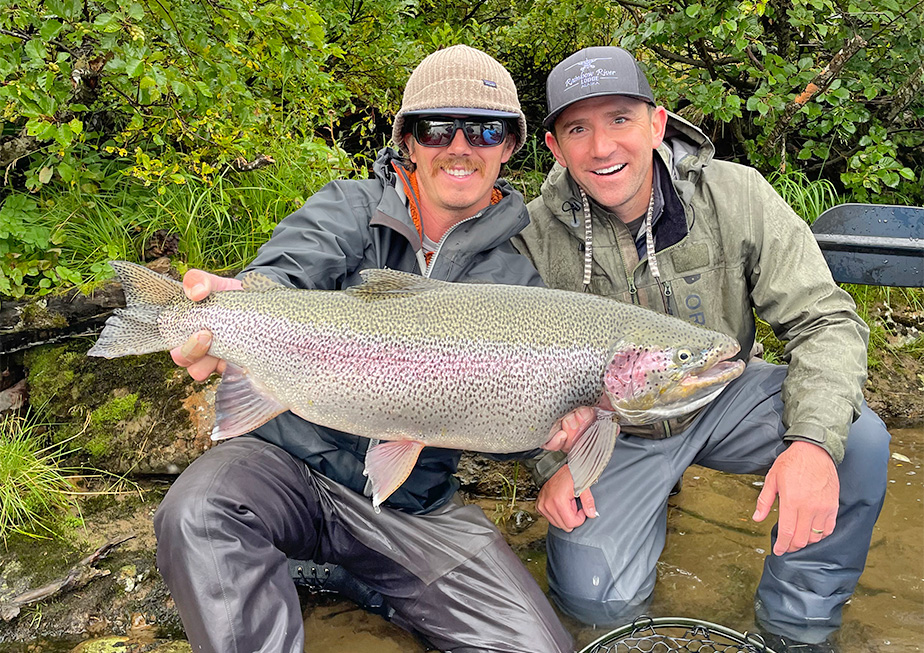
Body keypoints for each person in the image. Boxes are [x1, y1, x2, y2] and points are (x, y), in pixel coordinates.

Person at [153, 45, 576, 653]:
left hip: (411, 506)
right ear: (408, 140)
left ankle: (360, 576)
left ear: (510, 145)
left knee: (538, 647)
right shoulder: (348, 209)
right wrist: (235, 305)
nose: (460, 146)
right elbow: (283, 276)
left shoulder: (516, 281)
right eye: (437, 127)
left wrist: (554, 439)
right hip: (285, 467)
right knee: (196, 513)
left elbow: (508, 419)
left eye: (484, 129)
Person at [514, 46, 891, 653]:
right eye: (577, 128)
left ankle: (799, 625)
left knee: (858, 443)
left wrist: (812, 445)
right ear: (555, 148)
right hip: (612, 433)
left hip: (720, 394)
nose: (602, 147)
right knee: (595, 604)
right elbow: (517, 376)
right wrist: (555, 468)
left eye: (619, 119)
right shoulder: (532, 236)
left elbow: (826, 320)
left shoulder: (736, 196)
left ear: (657, 123)